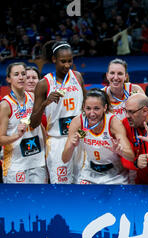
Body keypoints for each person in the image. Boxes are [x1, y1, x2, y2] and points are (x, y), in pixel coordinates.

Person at [30, 41, 86, 184]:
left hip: (80, 138)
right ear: (54, 60)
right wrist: (45, 103)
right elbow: (33, 123)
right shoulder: (44, 84)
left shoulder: (77, 77)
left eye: (70, 61)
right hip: (58, 141)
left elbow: (86, 105)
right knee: (61, 187)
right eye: (63, 61)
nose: (67, 65)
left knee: (84, 184)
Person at [62, 89, 134, 184]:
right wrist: (72, 146)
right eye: (88, 108)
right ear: (83, 107)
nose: (92, 113)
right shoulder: (78, 122)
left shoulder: (113, 123)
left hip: (115, 175)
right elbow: (64, 159)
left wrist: (121, 151)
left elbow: (131, 157)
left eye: (96, 108)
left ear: (105, 108)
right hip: (90, 173)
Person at [0, 62, 47, 183]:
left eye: (23, 74)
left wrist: (48, 150)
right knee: (18, 201)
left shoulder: (33, 97)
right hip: (16, 165)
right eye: (16, 74)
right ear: (8, 79)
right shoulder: (5, 105)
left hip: (38, 161)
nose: (21, 77)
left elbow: (40, 126)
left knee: (40, 200)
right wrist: (17, 135)